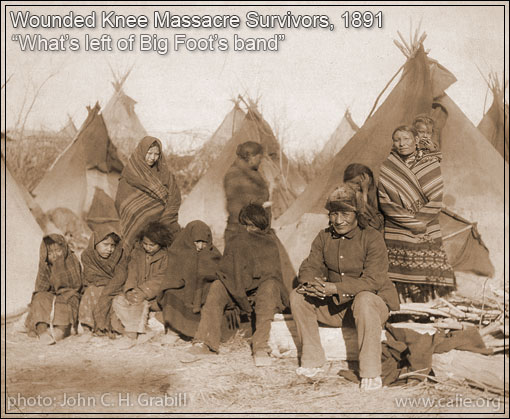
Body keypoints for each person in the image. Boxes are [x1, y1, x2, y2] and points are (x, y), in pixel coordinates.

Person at [289, 185, 399, 390]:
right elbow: (309, 266)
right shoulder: (324, 237)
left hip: (371, 309)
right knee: (298, 295)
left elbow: (373, 281)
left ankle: (370, 372)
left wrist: (334, 289)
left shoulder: (372, 238)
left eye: (345, 213)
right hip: (338, 309)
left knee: (364, 299)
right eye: (334, 214)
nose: (339, 220)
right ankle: (312, 361)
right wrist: (312, 284)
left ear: (357, 214)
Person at [192, 203, 288, 367]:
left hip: (261, 291)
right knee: (217, 287)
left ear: (262, 226)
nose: (249, 230)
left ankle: (260, 347)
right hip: (237, 290)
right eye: (246, 225)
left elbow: (273, 275)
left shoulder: (270, 243)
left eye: (254, 226)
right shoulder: (236, 241)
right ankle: (207, 343)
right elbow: (228, 273)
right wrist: (239, 296)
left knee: (270, 288)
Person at [378, 125, 455, 302]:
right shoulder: (388, 166)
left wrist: (420, 222)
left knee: (427, 275)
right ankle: (403, 310)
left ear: (415, 140)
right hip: (397, 228)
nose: (401, 143)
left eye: (406, 139)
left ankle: (427, 310)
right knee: (399, 276)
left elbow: (436, 198)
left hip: (426, 226)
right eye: (397, 140)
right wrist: (409, 222)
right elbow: (384, 200)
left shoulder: (430, 163)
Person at [115, 136, 181, 252]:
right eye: (149, 153)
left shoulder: (164, 174)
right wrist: (142, 214)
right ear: (141, 152)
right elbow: (121, 202)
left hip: (165, 221)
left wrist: (165, 218)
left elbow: (174, 197)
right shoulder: (130, 174)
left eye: (156, 154)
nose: (152, 158)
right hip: (137, 225)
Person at [158, 220, 222, 340]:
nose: (200, 246)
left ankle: (197, 332)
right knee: (170, 293)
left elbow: (217, 274)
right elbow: (173, 276)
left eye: (204, 242)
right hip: (182, 287)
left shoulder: (213, 254)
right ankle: (174, 330)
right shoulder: (178, 251)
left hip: (202, 289)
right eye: (197, 242)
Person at [111, 221, 172, 339]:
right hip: (136, 291)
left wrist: (143, 291)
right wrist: (130, 289)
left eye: (152, 245)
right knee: (119, 301)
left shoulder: (166, 256)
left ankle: (132, 332)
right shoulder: (137, 253)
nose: (148, 247)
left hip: (154, 295)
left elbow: (160, 278)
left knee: (141, 305)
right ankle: (130, 328)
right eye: (145, 244)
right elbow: (132, 272)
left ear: (161, 243)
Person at [25, 234, 82, 344]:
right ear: (45, 255)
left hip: (69, 293)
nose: (54, 255)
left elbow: (76, 285)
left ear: (64, 248)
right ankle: (42, 330)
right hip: (53, 294)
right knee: (40, 297)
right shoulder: (45, 265)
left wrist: (58, 270)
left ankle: (60, 330)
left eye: (57, 251)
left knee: (68, 302)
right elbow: (41, 287)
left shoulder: (71, 260)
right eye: (50, 253)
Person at [78, 226, 127, 334]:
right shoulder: (88, 256)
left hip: (115, 287)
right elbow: (90, 276)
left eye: (112, 245)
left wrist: (106, 288)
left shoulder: (120, 255)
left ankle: (108, 327)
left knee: (112, 297)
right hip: (96, 286)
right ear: (95, 243)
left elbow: (120, 277)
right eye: (105, 245)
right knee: (91, 291)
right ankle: (88, 328)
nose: (109, 249)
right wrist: (103, 284)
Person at [223, 141, 271, 246]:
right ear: (252, 157)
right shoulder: (235, 174)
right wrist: (262, 204)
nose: (260, 161)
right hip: (240, 232)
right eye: (259, 158)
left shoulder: (250, 172)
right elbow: (239, 204)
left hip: (252, 230)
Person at [343, 163, 384, 232]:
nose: (360, 186)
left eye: (363, 184)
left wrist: (365, 191)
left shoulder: (377, 195)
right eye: (355, 183)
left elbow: (375, 224)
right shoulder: (346, 196)